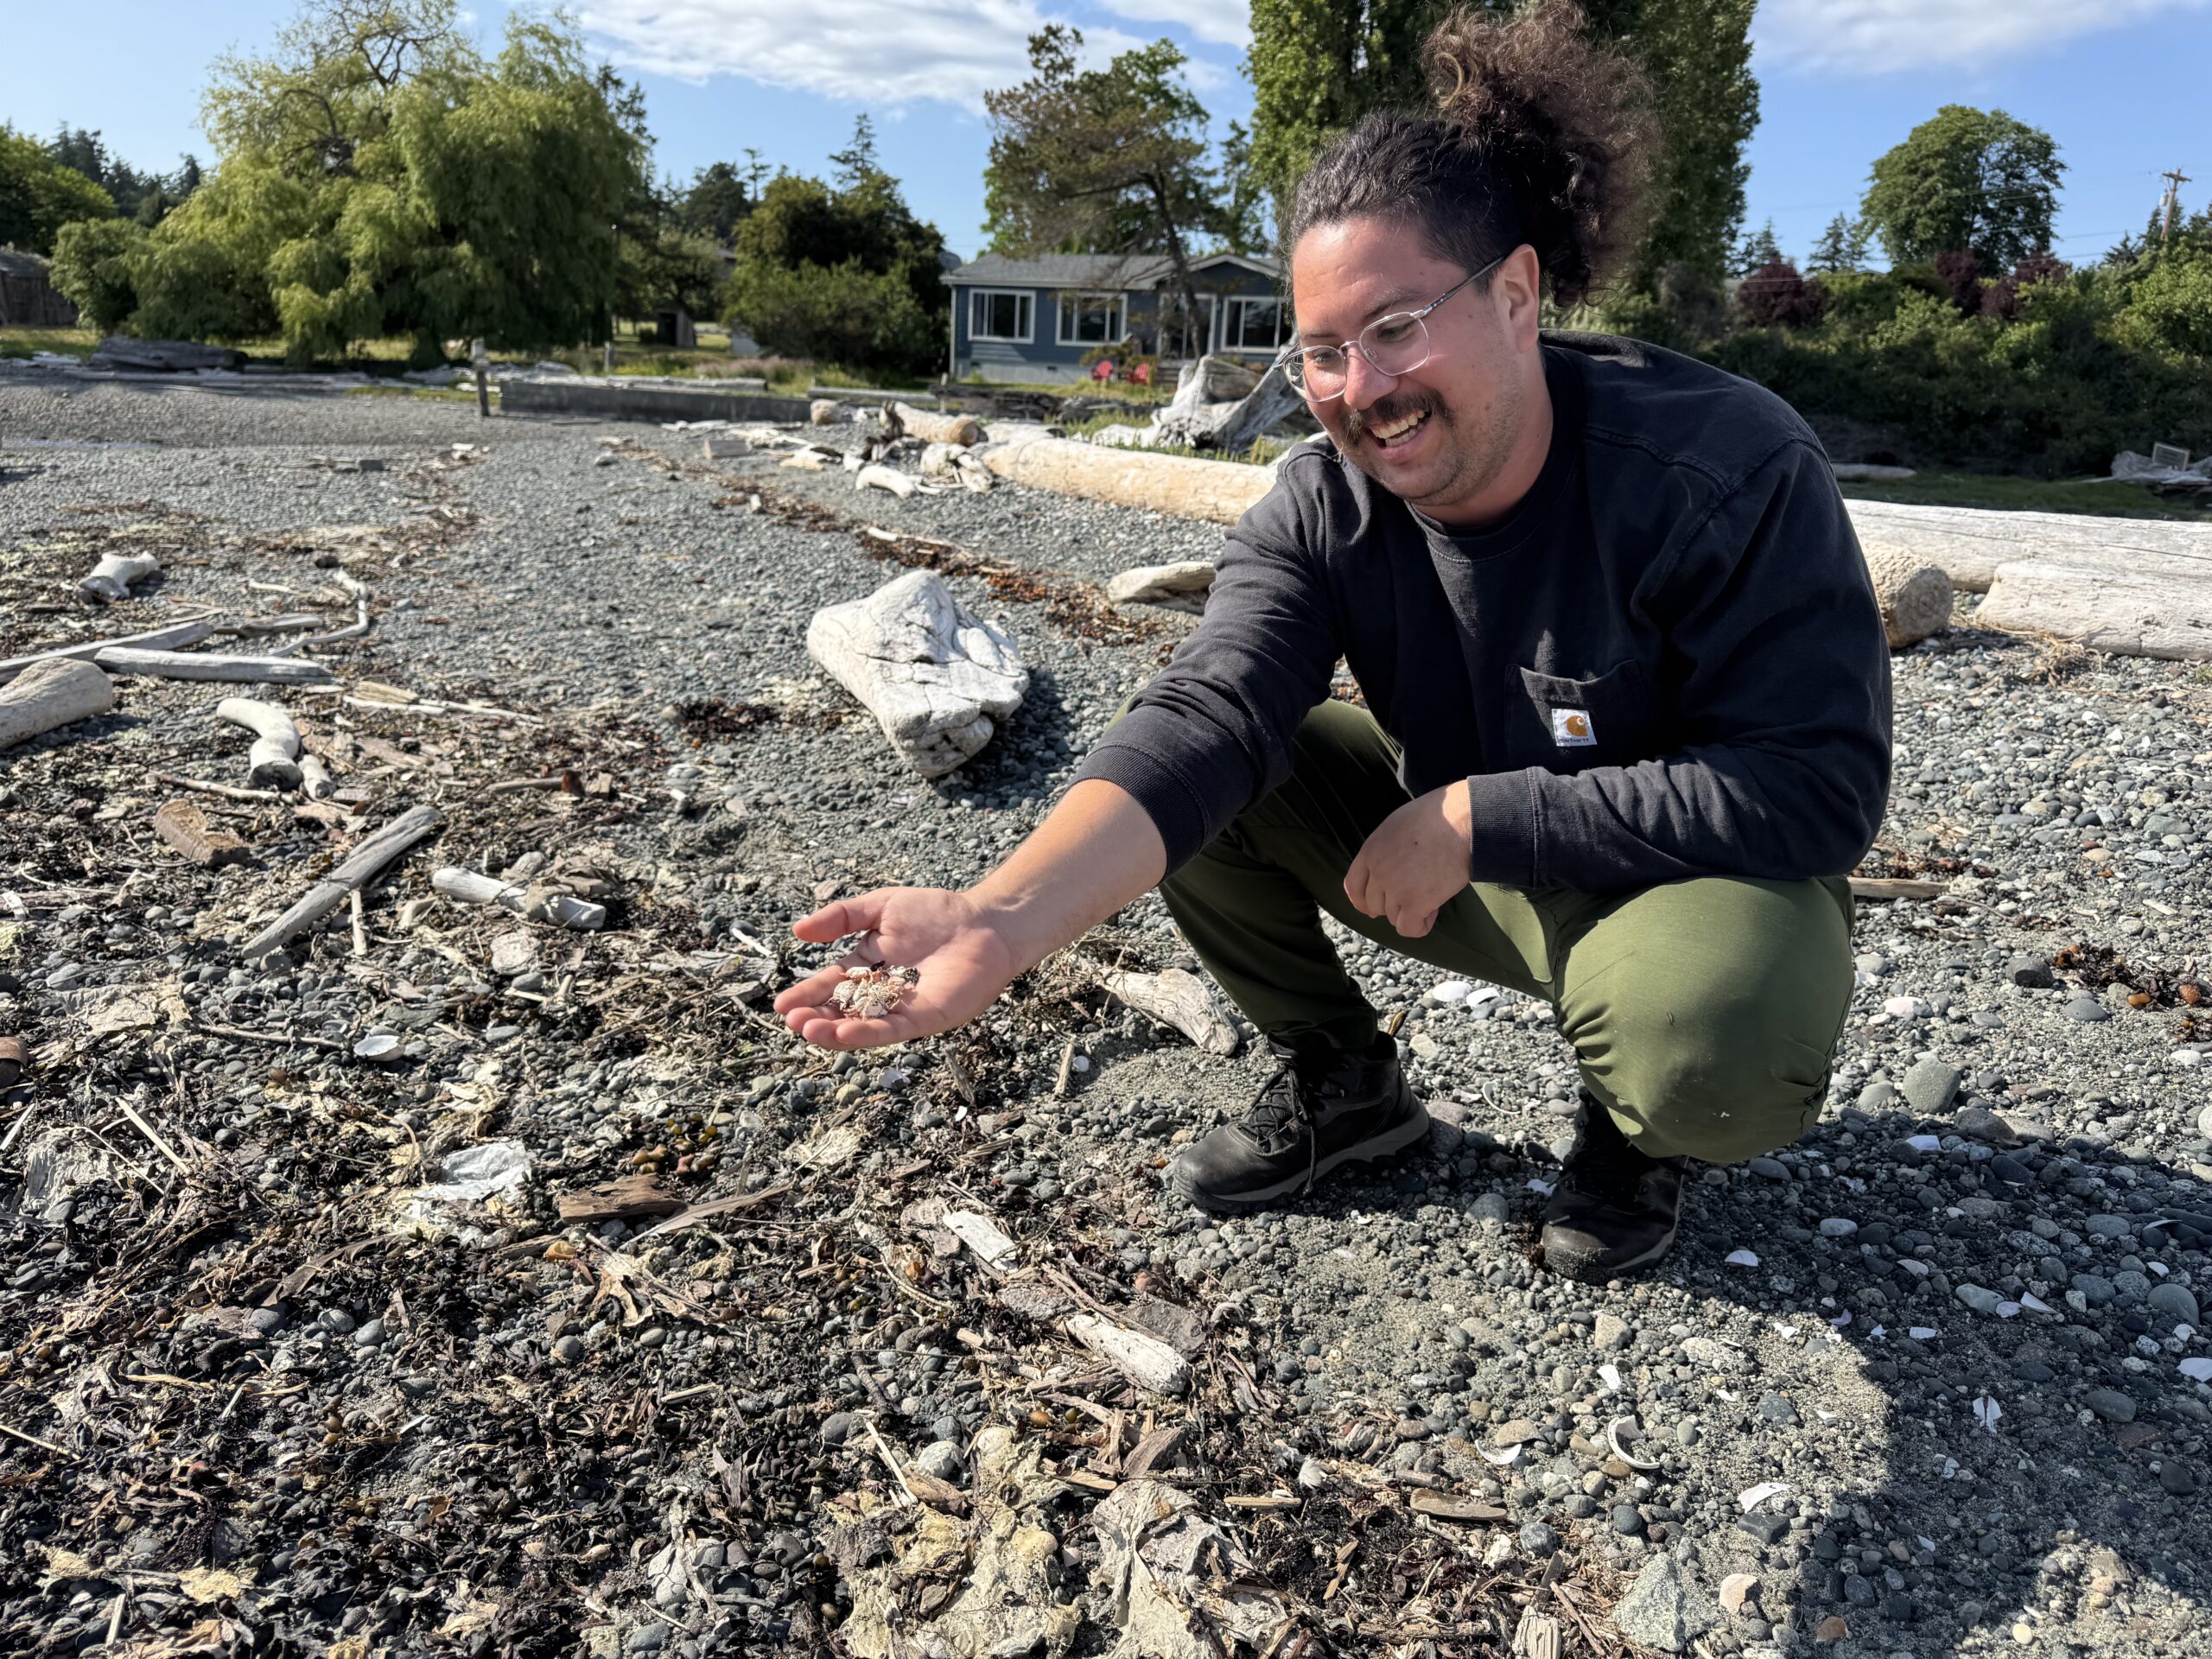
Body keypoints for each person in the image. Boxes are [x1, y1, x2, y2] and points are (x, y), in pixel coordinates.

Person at [775, 0, 1891, 1283]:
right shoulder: (1324, 501)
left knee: (1716, 1045)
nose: (1361, 388)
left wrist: (1480, 820)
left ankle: (1633, 1127)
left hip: (1682, 875)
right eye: (1321, 353)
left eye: (1398, 327)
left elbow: (1820, 783)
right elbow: (1212, 708)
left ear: (1517, 293)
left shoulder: (1718, 467)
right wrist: (999, 919)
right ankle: (1346, 1085)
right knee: (1203, 779)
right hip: (1456, 855)